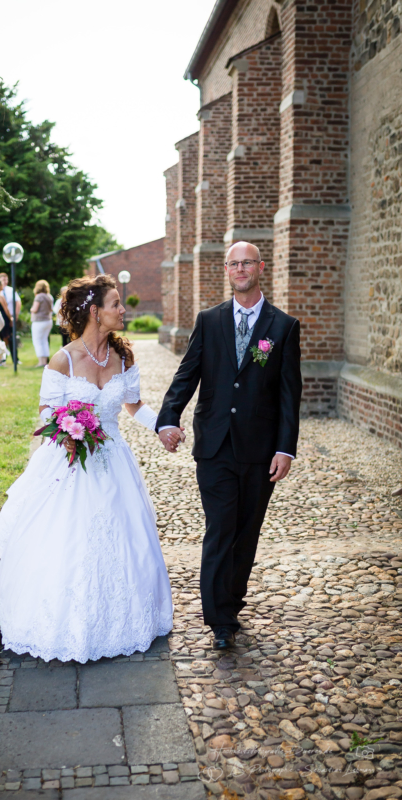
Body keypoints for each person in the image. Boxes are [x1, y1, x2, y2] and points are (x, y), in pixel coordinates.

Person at [0, 274, 172, 663]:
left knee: (123, 533)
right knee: (68, 535)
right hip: (70, 458)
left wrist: (162, 427)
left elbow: (133, 406)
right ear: (95, 311)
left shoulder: (123, 357)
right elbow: (47, 411)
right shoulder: (63, 359)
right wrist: (67, 430)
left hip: (113, 457)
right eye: (116, 303)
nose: (122, 309)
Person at [156, 241, 302, 652]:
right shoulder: (209, 320)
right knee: (221, 528)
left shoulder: (283, 326)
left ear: (260, 268)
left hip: (260, 449)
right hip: (215, 445)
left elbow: (291, 394)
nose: (241, 269)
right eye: (234, 263)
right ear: (226, 269)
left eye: (247, 263)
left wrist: (285, 448)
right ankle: (220, 618)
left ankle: (232, 602)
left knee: (246, 532)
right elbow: (188, 373)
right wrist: (169, 416)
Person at [31, 279, 54, 367]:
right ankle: (45, 361)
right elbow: (51, 309)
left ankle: (41, 362)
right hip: (48, 320)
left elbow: (35, 309)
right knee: (44, 341)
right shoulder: (49, 296)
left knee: (37, 341)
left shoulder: (39, 297)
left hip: (39, 321)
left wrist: (31, 309)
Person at [0, 278, 13, 359]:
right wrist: (10, 318)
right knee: (6, 338)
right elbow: (6, 309)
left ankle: (0, 356)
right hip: (3, 318)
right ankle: (4, 355)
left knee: (0, 338)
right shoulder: (0, 296)